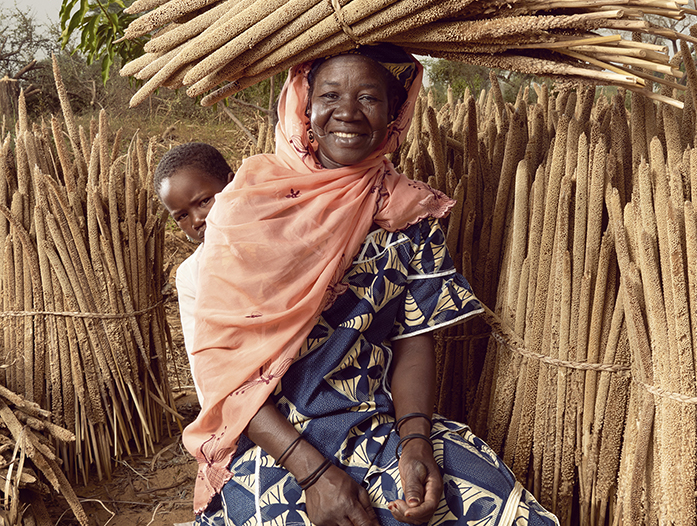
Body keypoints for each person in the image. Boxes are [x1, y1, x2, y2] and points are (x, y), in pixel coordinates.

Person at [185, 44, 558, 526]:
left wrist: (416, 441)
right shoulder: (248, 209)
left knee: (494, 504)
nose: (347, 112)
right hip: (269, 442)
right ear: (305, 105)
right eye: (330, 95)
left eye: (368, 97)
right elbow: (224, 373)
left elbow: (412, 343)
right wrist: (314, 475)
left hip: (375, 426)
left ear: (393, 113)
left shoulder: (408, 215)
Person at [154, 142, 235, 405]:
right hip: (242, 394)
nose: (197, 220)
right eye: (181, 216)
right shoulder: (191, 275)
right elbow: (200, 357)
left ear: (232, 184)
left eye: (204, 201)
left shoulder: (281, 234)